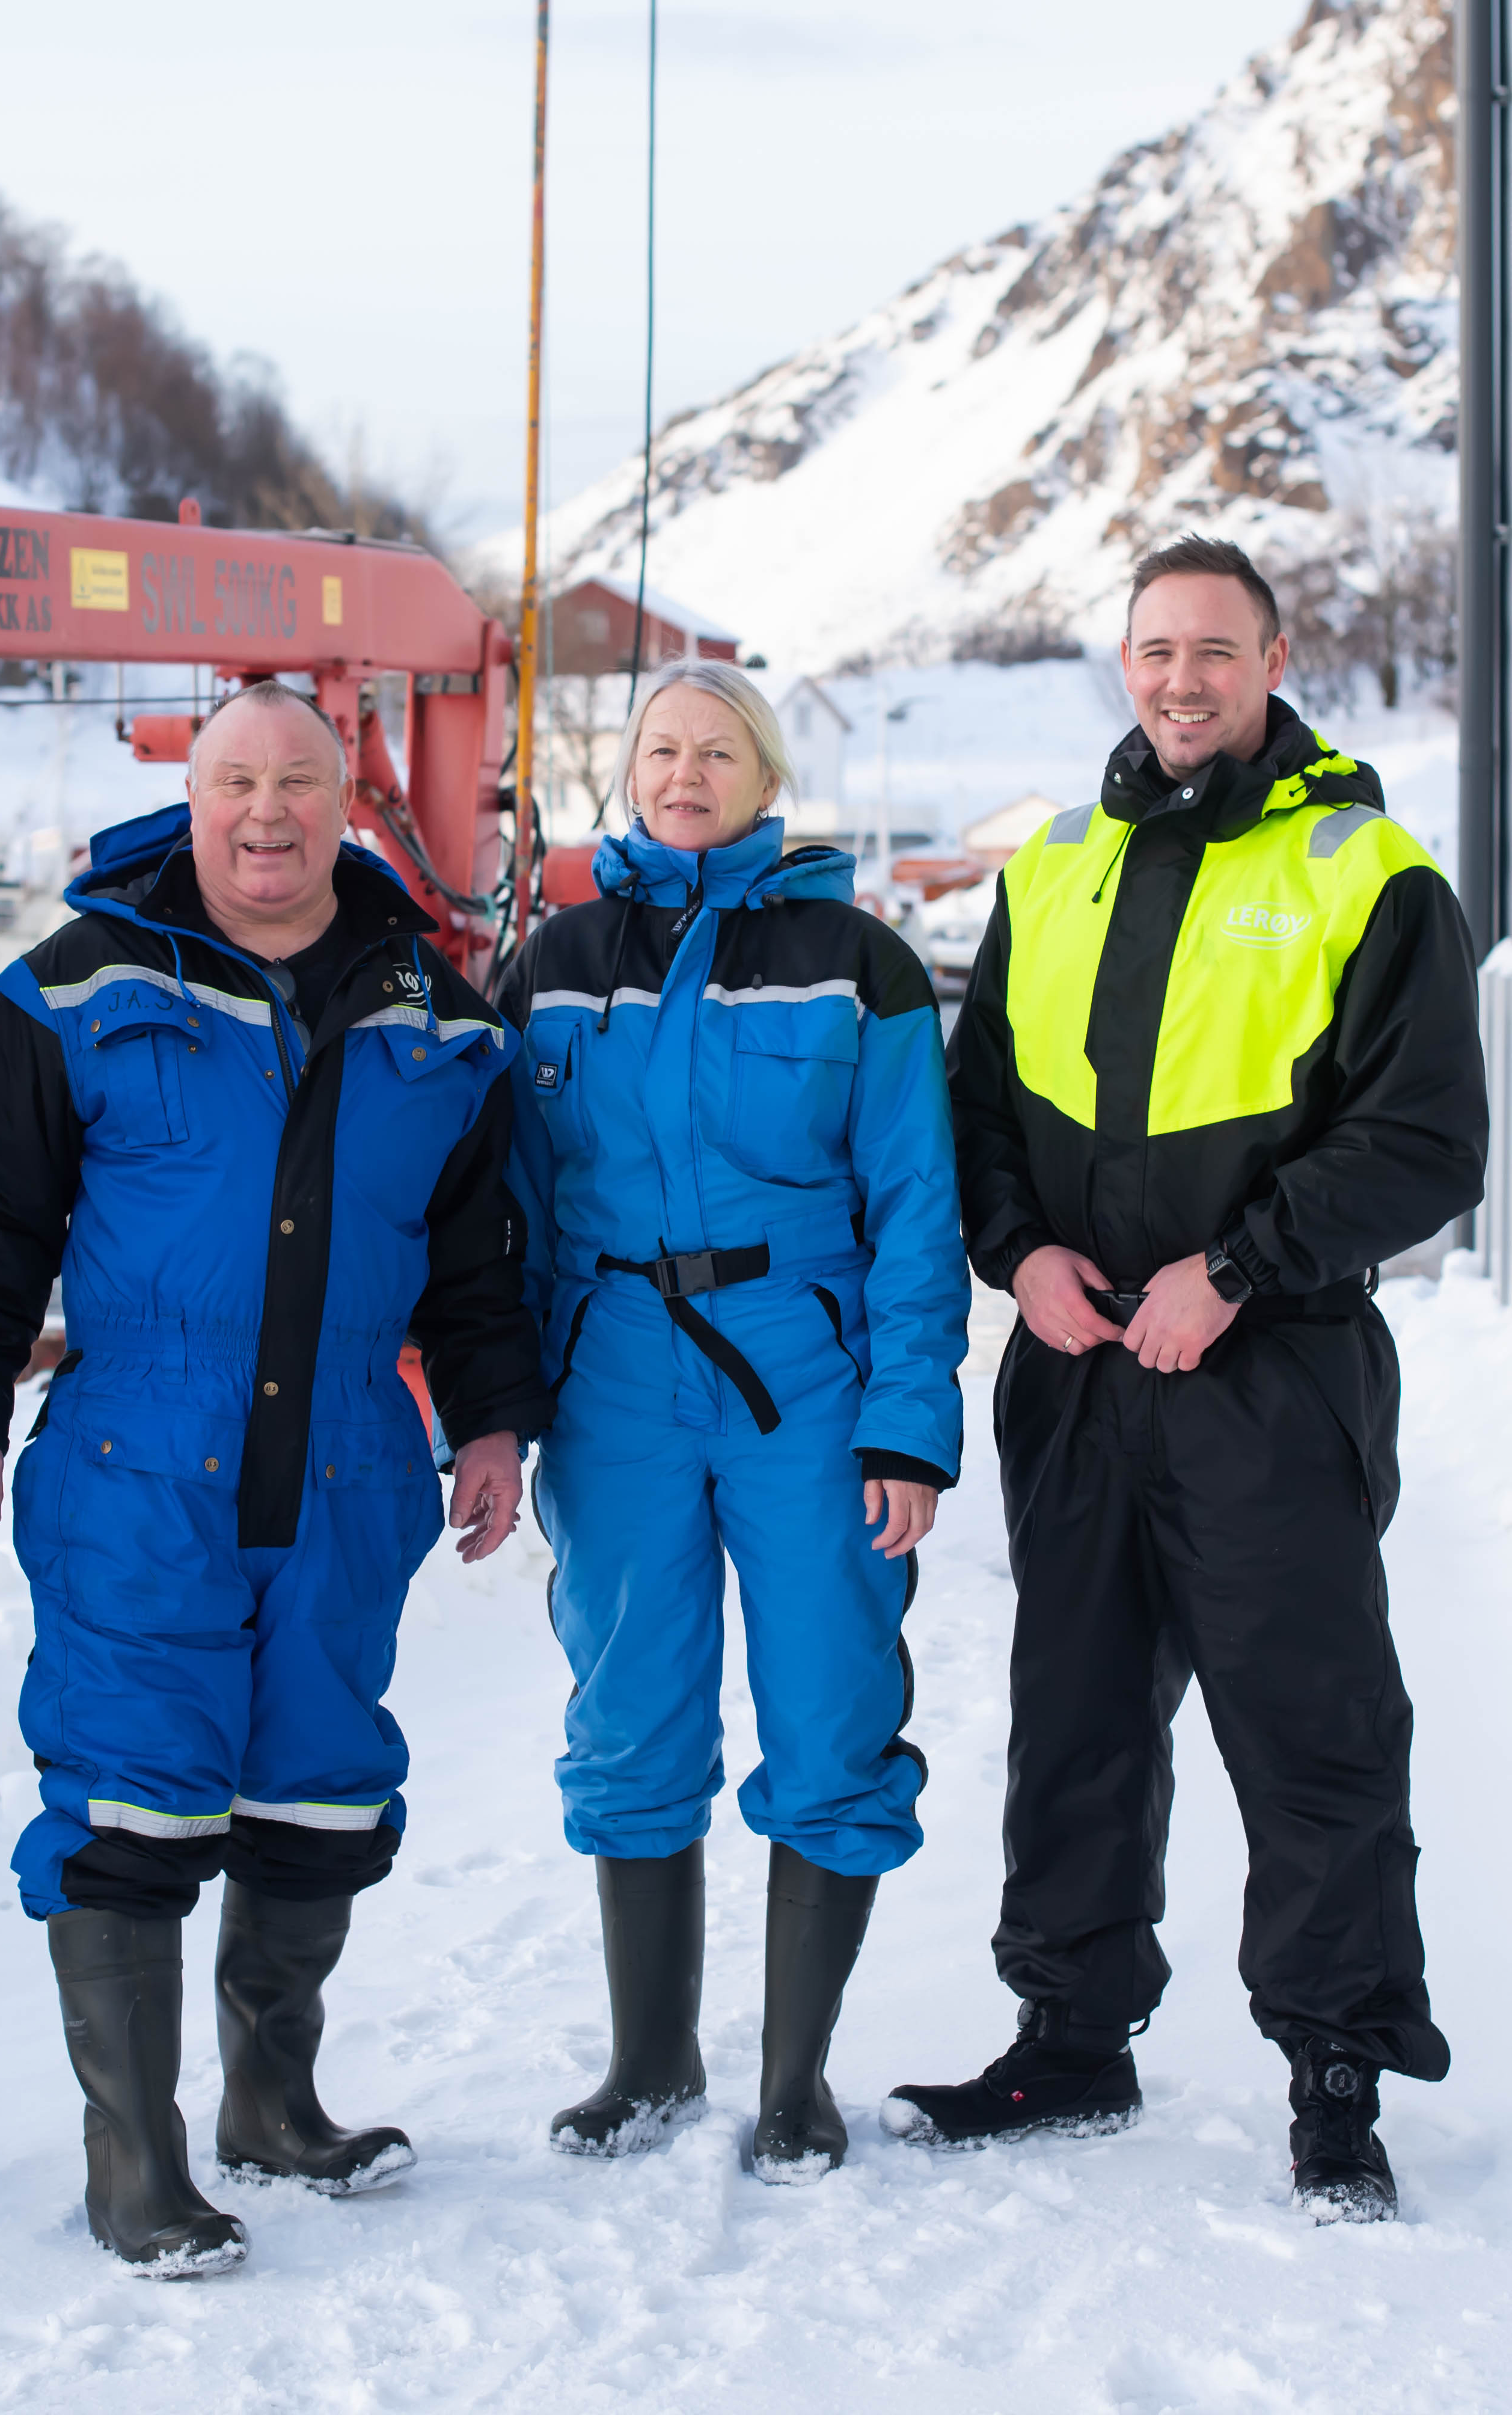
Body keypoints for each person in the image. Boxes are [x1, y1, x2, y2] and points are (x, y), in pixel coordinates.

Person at [0, 680, 549, 2278]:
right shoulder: (75, 989)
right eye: (236, 782)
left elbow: (477, 1258)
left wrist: (486, 1423)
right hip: (141, 1457)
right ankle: (138, 2161)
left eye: (300, 783)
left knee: (319, 1794)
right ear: (188, 802)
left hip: (345, 1464)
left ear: (349, 806)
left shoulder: (441, 1018)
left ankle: (275, 2100)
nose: (267, 814)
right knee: (128, 1800)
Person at [890, 537, 1487, 2224]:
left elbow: (1429, 1140)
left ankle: (1339, 2073)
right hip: (1082, 1372)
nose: (1181, 681)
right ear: (1126, 663)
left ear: (1273, 657)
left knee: (1311, 1737)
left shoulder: (1365, 873)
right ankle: (1071, 2034)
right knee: (1076, 1723)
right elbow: (979, 1103)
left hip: (1267, 1375)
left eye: (1214, 651)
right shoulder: (1060, 865)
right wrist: (1024, 1257)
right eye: (1154, 650)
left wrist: (1235, 1272)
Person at [494, 660, 967, 2183]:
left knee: (831, 1697)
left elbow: (913, 1205)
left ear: (767, 779)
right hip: (613, 1368)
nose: (684, 771)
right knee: (629, 1702)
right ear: (627, 770)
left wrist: (908, 1424)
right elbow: (498, 1202)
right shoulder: (555, 961)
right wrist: (499, 1402)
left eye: (717, 751)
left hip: (802, 1371)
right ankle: (648, 2062)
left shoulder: (858, 962)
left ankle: (795, 2074)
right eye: (659, 748)